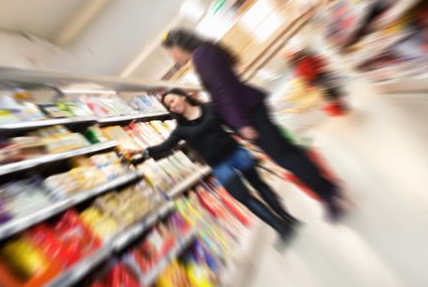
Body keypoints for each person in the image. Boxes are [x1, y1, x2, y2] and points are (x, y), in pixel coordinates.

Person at [161, 29, 344, 221]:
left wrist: (241, 123)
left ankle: (328, 194)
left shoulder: (201, 57)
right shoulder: (205, 52)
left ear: (178, 46)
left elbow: (225, 91)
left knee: (286, 157)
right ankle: (329, 188)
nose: (172, 57)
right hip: (251, 109)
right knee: (288, 152)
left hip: (249, 114)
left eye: (170, 52)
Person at [124, 89, 299, 242]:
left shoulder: (210, 108)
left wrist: (248, 133)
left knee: (260, 185)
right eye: (169, 106)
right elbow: (164, 146)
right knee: (245, 198)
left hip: (236, 153)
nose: (172, 106)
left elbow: (231, 123)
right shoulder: (181, 130)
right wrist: (143, 152)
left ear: (181, 97)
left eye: (172, 100)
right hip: (219, 166)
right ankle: (280, 227)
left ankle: (288, 218)